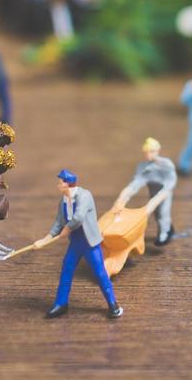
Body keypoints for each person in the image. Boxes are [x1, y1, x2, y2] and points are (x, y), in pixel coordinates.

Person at [18, 169, 122, 320]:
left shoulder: (85, 195)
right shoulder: (63, 201)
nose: (57, 185)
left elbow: (79, 217)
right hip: (75, 243)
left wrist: (67, 229)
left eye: (59, 182)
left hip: (89, 243)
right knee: (66, 271)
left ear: (67, 184)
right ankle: (61, 303)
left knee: (100, 273)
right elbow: (58, 222)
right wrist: (45, 239)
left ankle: (113, 304)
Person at [109, 137, 178, 246]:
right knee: (156, 213)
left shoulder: (166, 165)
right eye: (146, 152)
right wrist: (120, 200)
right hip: (153, 191)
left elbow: (169, 185)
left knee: (163, 212)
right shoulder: (143, 167)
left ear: (157, 151)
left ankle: (164, 233)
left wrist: (151, 205)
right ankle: (168, 227)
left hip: (164, 192)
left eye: (151, 152)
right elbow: (134, 185)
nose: (148, 155)